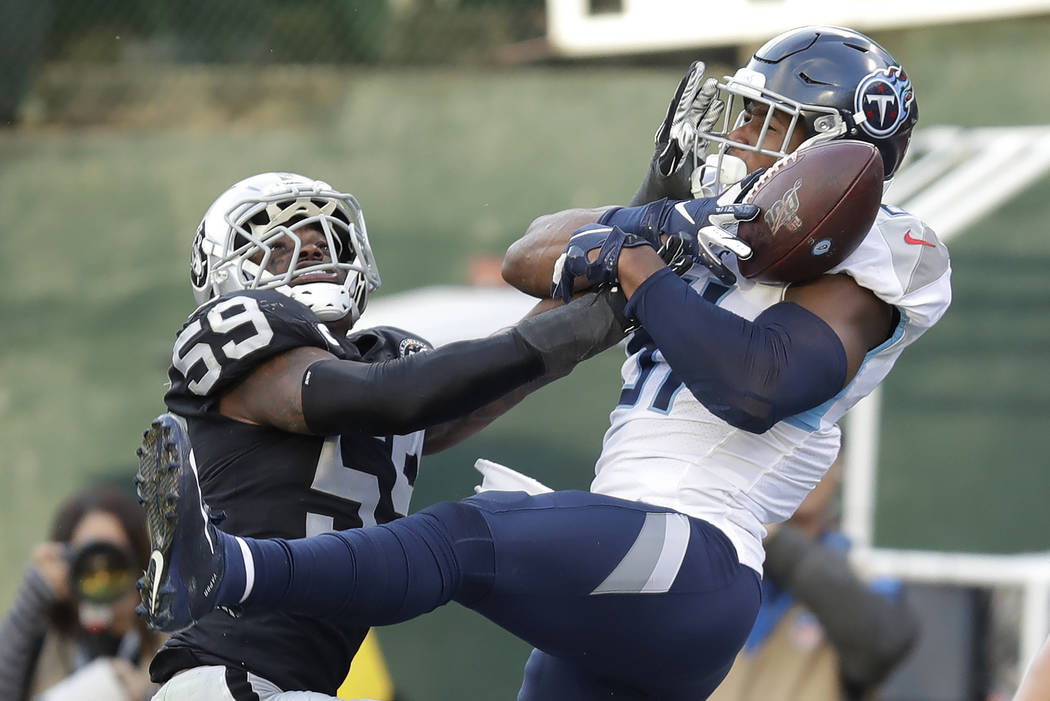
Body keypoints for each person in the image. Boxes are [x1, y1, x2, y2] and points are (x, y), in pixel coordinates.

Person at [137, 26, 952, 701]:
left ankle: (235, 568)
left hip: (696, 552)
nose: (737, 134)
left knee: (465, 538)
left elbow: (756, 382)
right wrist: (655, 215)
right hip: (635, 568)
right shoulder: (715, 225)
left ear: (832, 153)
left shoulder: (884, 253)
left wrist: (638, 264)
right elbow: (532, 254)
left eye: (764, 120)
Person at [138, 170, 630, 700]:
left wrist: (637, 275)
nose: (311, 253)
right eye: (279, 249)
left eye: (324, 241)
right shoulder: (252, 345)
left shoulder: (387, 361)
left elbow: (487, 378)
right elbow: (389, 395)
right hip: (228, 677)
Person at [707, 459, 919, 701]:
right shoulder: (720, 564)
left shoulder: (863, 577)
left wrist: (773, 539)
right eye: (789, 457)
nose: (803, 469)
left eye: (817, 456)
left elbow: (885, 643)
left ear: (840, 470)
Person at [0, 484, 165, 701]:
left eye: (114, 563)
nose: (102, 577)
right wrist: (33, 596)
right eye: (88, 565)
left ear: (140, 563)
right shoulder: (48, 637)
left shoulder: (170, 640)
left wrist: (148, 696)